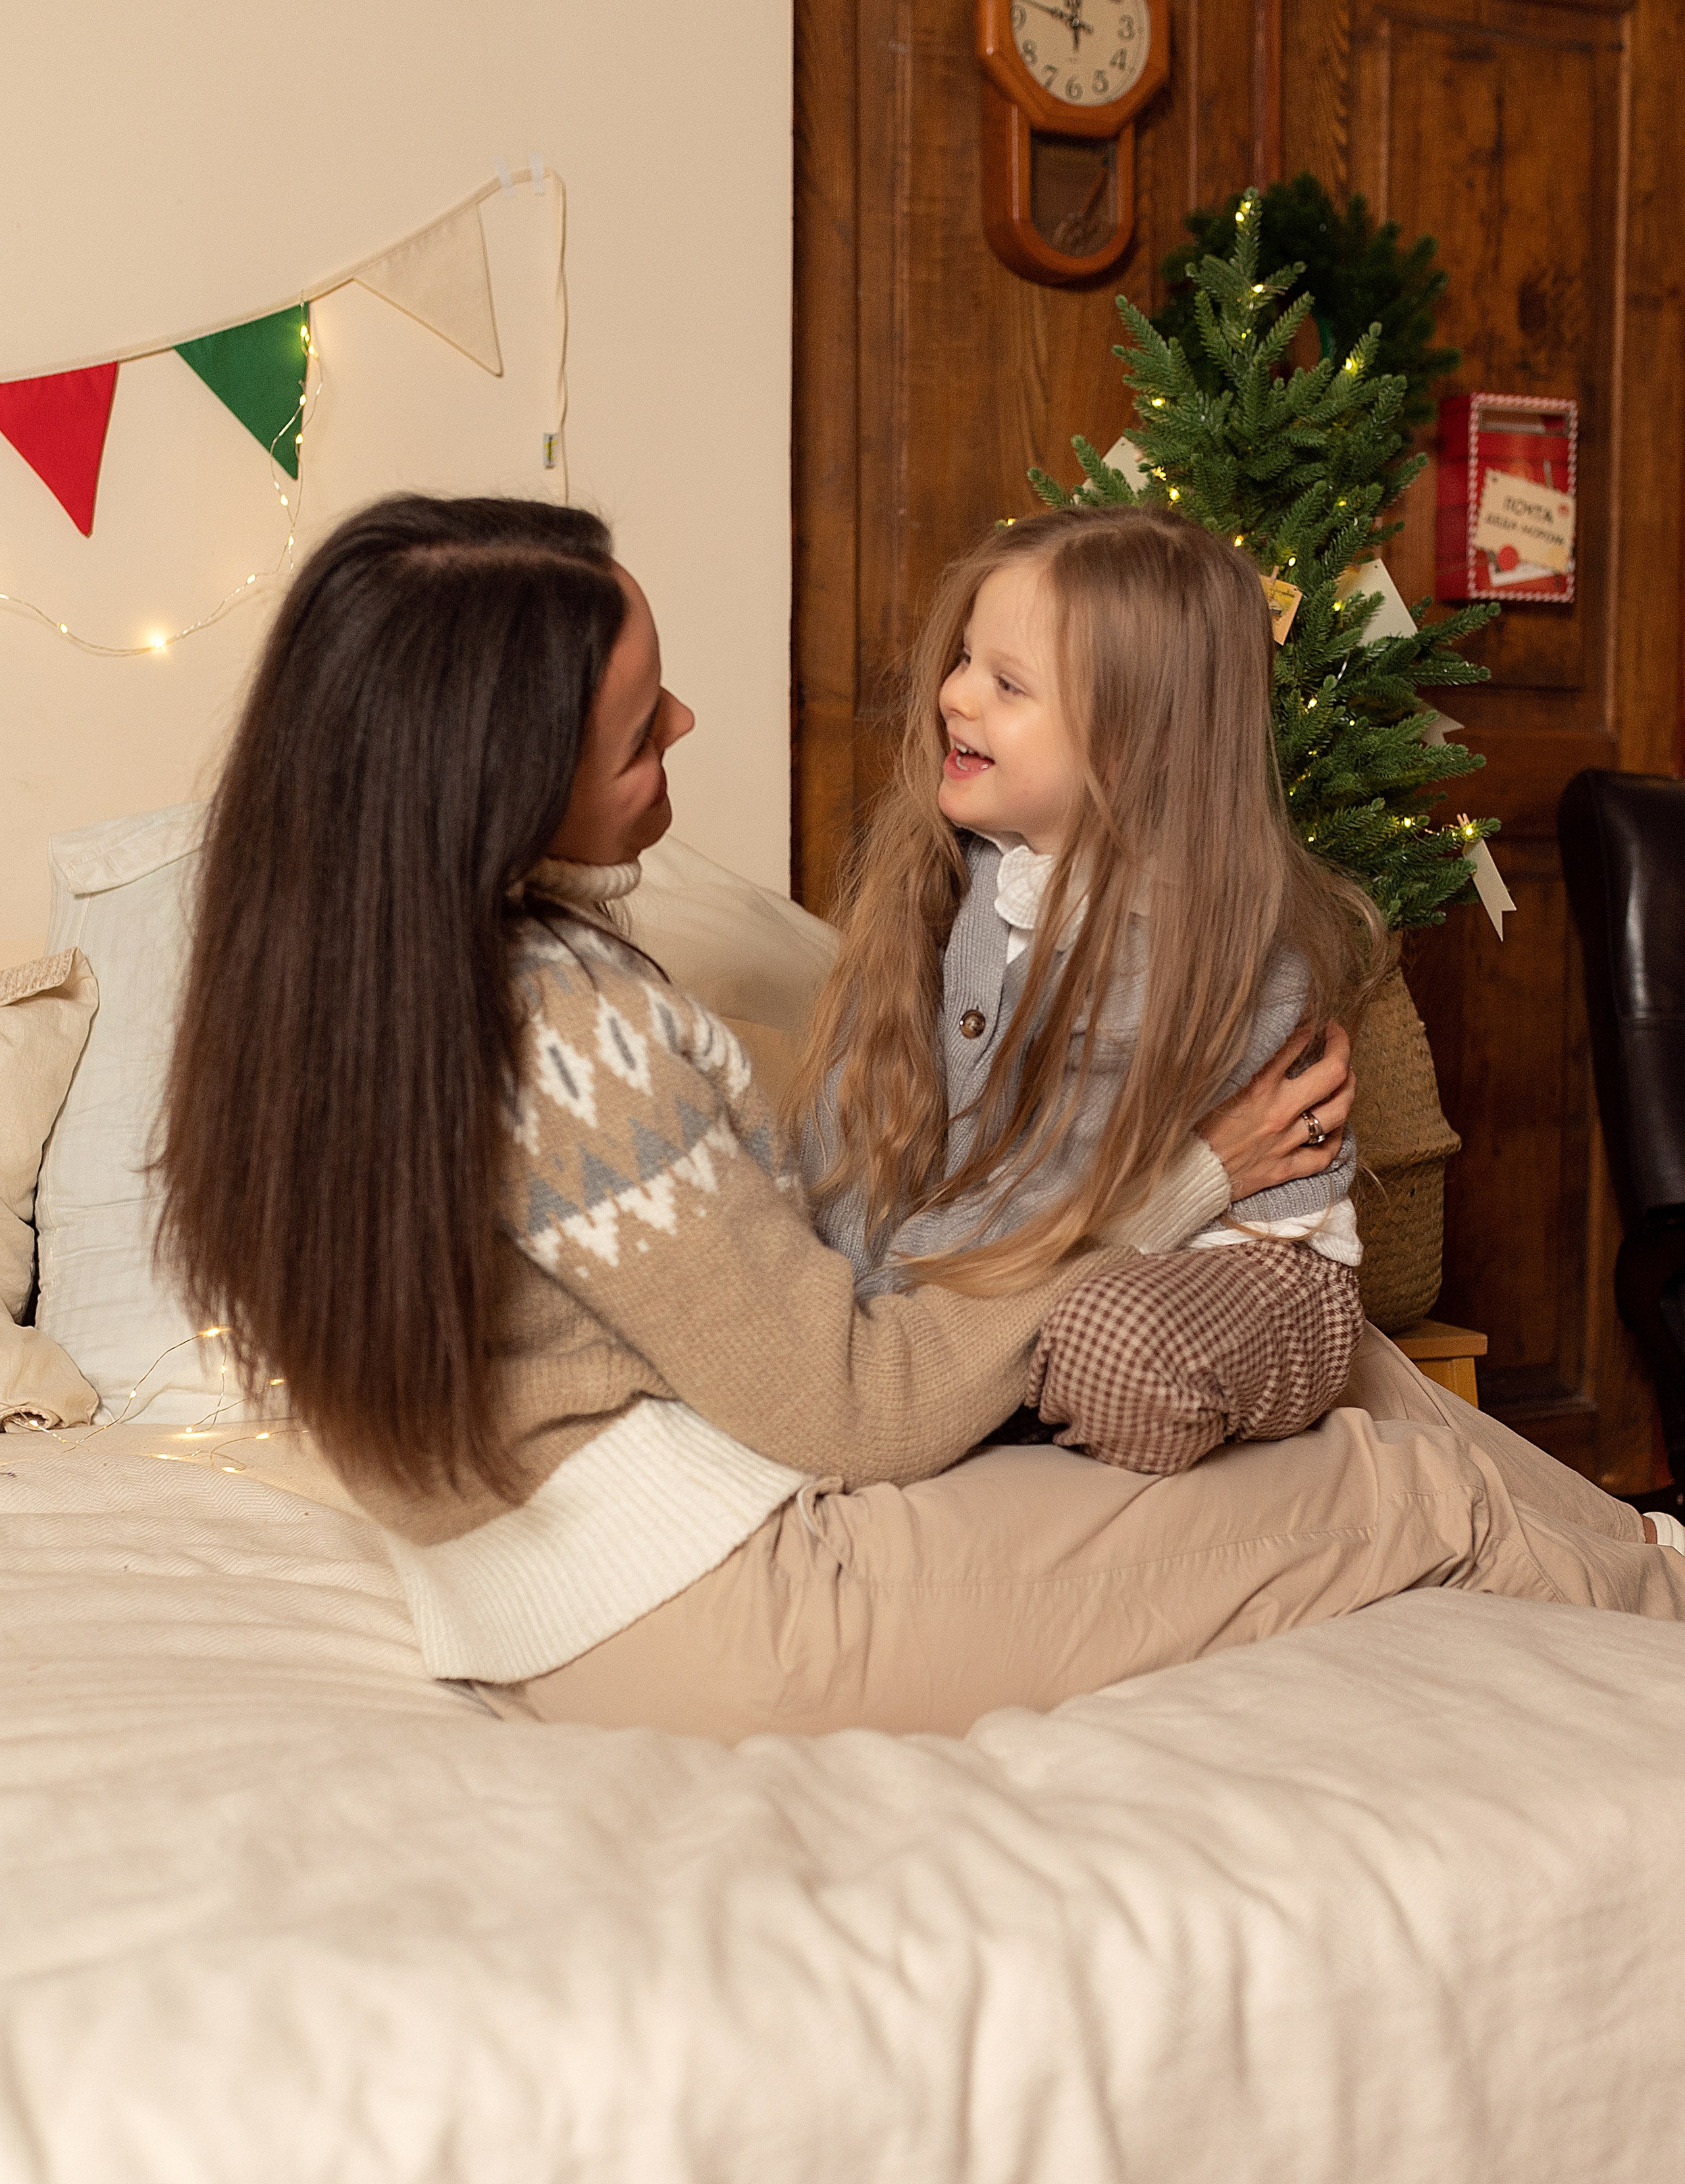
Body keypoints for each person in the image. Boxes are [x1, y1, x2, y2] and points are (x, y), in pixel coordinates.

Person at [156, 494, 1685, 1743]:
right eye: (637, 725)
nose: (686, 719)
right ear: (495, 774)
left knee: (1345, 1361)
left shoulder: (358, 980)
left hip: (557, 1591)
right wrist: (1173, 1191)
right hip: (714, 1605)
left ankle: (1643, 1557)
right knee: (1405, 1486)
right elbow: (854, 1407)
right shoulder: (568, 1044)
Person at [793, 506, 1380, 1467]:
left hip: (1225, 1266)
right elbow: (855, 1130)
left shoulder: (1206, 949)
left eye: (1008, 684)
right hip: (1031, 1258)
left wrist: (896, 1316)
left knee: (1110, 1349)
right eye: (965, 660)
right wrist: (846, 1319)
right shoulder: (940, 884)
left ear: (1133, 745)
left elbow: (1072, 1197)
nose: (955, 696)